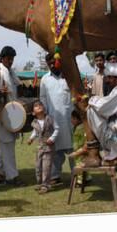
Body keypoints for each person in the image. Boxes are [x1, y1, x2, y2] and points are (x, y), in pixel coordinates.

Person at [0, 46, 25, 186]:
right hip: (2, 117)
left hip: (12, 115)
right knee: (8, 147)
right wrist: (1, 93)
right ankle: (12, 177)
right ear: (2, 58)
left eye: (12, 59)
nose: (10, 61)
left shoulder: (11, 74)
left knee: (5, 147)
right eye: (8, 58)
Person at [39, 52, 75, 186]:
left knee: (74, 148)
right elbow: (42, 99)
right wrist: (45, 116)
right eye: (49, 63)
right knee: (55, 150)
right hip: (53, 120)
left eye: (54, 62)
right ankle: (55, 175)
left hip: (70, 120)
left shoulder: (69, 76)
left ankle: (78, 175)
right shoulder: (44, 79)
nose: (52, 65)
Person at [27, 101, 58, 194]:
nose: (39, 106)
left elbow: (57, 128)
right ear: (33, 112)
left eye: (40, 105)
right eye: (36, 106)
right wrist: (31, 138)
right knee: (38, 166)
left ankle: (46, 185)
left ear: (44, 109)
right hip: (39, 147)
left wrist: (52, 138)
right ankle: (40, 182)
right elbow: (35, 132)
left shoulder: (50, 119)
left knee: (46, 166)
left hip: (49, 147)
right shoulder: (34, 122)